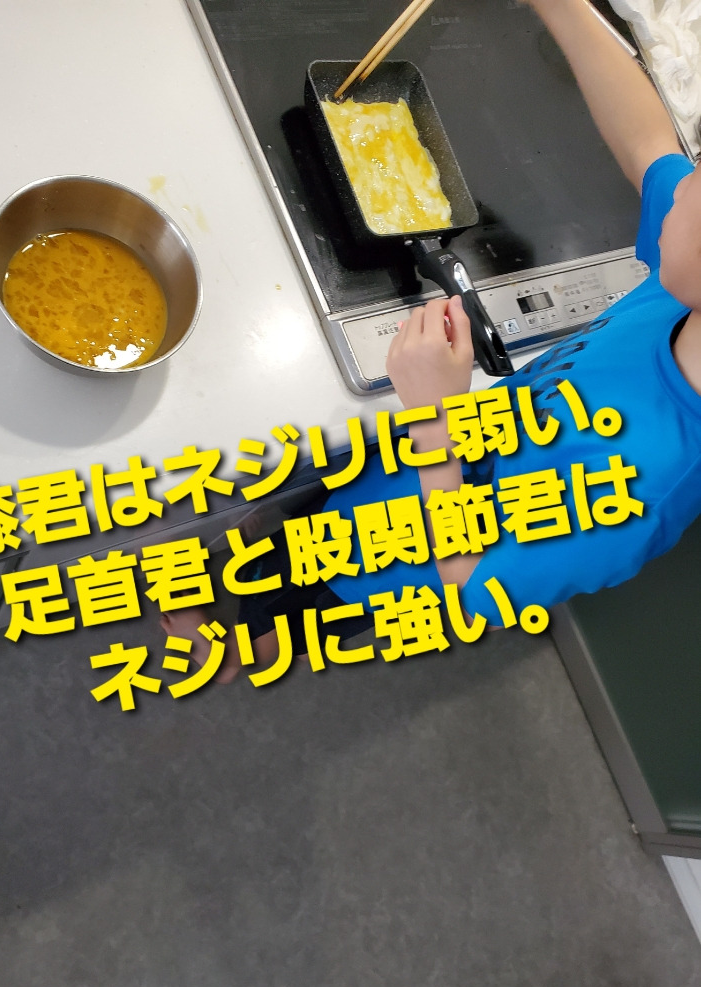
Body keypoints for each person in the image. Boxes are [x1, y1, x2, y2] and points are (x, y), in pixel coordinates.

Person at [163, 0, 701, 681]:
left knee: (301, 612)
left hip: (396, 563)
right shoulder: (679, 298)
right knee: (289, 529)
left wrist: (435, 420)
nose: (689, 177)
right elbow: (649, 145)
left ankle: (237, 655)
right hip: (394, 476)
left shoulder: (649, 484)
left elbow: (476, 595)